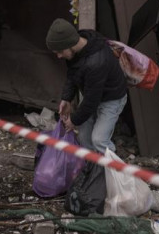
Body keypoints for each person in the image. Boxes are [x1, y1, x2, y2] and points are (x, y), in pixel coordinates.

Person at [46, 18, 128, 154]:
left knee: (99, 140)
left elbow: (91, 100)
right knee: (84, 138)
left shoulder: (96, 62)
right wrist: (66, 98)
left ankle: (116, 172)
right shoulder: (80, 45)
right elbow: (73, 73)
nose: (59, 56)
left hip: (112, 100)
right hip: (94, 95)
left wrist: (74, 120)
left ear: (69, 44)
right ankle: (93, 169)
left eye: (59, 52)